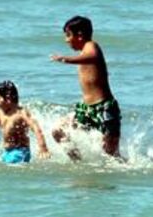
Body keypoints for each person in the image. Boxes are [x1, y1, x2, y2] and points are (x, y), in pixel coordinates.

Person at [50, 15, 122, 160]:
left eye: (68, 35)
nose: (66, 40)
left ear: (80, 35)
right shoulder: (83, 52)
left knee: (112, 156)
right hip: (86, 110)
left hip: (104, 108)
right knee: (58, 131)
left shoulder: (91, 46)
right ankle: (78, 162)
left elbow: (93, 56)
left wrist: (65, 59)